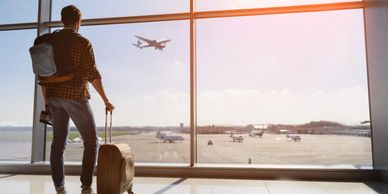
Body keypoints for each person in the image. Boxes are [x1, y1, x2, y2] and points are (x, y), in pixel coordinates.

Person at [42, 5, 114, 194]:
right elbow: (93, 74)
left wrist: (47, 101)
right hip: (75, 96)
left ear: (61, 20)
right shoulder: (82, 42)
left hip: (55, 98)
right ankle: (86, 187)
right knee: (91, 141)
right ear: (78, 22)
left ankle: (59, 188)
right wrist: (106, 100)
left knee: (58, 144)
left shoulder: (50, 42)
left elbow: (42, 76)